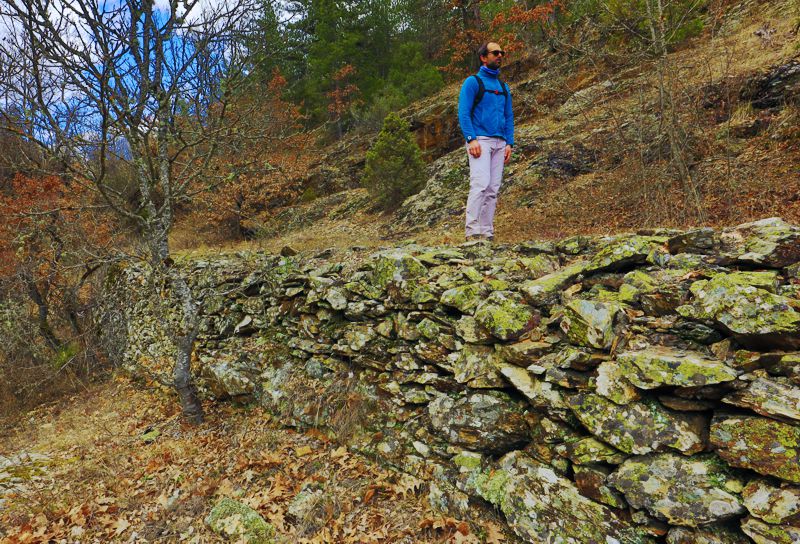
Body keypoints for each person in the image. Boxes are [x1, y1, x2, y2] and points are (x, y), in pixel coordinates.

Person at [457, 41, 514, 242]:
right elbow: (463, 113)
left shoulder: (503, 87)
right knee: (480, 184)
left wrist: (509, 143)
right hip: (480, 140)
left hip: (500, 143)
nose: (500, 55)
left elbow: (509, 116)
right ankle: (472, 232)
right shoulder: (472, 82)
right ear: (483, 57)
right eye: (495, 52)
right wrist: (471, 139)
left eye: (502, 53)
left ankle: (486, 232)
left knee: (493, 189)